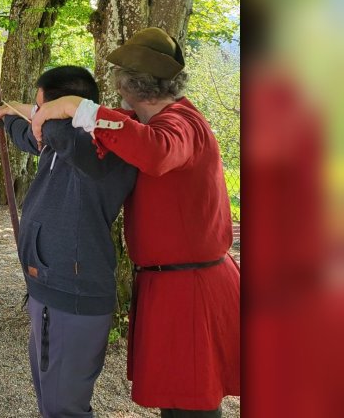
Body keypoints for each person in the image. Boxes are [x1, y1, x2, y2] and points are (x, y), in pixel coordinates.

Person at [32, 28, 240, 417]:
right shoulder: (140, 121)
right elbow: (117, 134)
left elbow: (157, 151)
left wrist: (79, 106)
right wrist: (31, 113)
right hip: (173, 283)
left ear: (125, 83)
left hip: (190, 288)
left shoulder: (181, 123)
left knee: (192, 404)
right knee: (175, 400)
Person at [0, 65, 137, 418]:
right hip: (50, 289)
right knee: (50, 400)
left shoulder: (99, 146)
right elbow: (31, 134)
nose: (38, 121)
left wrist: (38, 114)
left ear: (64, 111)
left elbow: (51, 130)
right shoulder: (58, 140)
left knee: (63, 409)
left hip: (73, 295)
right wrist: (9, 114)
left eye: (45, 110)